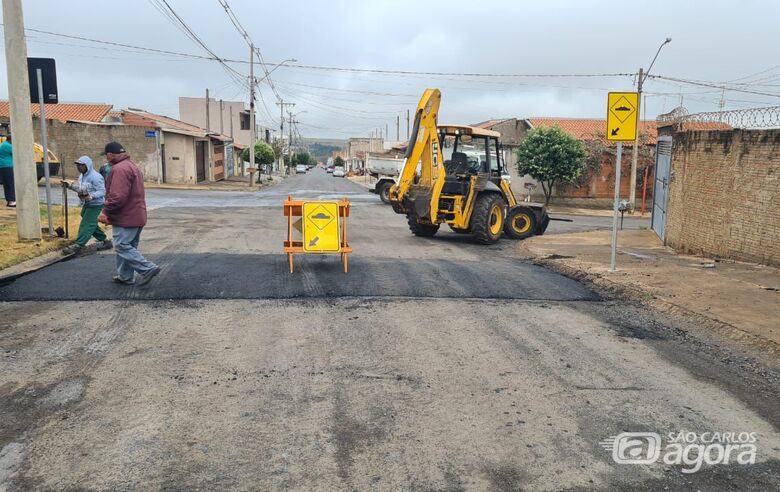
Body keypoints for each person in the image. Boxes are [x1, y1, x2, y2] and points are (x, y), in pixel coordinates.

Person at [98, 142, 160, 286]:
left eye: (107, 156)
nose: (106, 159)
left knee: (121, 245)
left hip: (126, 216)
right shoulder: (132, 166)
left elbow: (118, 196)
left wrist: (105, 211)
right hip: (137, 214)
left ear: (110, 155)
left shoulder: (119, 169)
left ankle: (148, 268)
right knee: (128, 246)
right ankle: (125, 276)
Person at [60, 156, 112, 255]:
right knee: (90, 222)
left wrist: (92, 196)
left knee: (86, 224)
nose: (79, 167)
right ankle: (106, 240)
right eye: (78, 165)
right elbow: (81, 189)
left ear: (88, 165)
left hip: (96, 204)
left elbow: (102, 191)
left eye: (81, 165)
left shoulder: (96, 177)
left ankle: (78, 245)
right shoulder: (81, 176)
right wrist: (70, 186)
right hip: (87, 203)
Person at [0, 135, 15, 207]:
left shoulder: (3, 144)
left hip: (3, 166)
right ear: (11, 140)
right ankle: (12, 201)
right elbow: (16, 153)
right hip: (8, 166)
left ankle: (9, 201)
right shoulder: (8, 146)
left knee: (6, 184)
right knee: (11, 184)